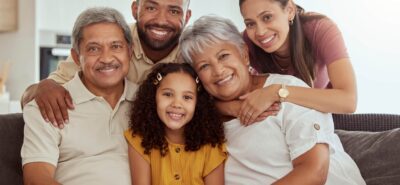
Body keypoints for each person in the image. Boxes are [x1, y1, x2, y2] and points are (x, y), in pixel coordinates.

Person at [180, 15, 365, 185]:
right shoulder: (198, 121)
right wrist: (225, 108)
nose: (218, 70)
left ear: (244, 54)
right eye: (204, 66)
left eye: (223, 56)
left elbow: (314, 173)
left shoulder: (289, 91)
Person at [20, 0, 192, 127]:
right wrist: (41, 87)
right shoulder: (112, 39)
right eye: (151, 8)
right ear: (135, 9)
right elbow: (35, 96)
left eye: (174, 11)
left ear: (187, 16)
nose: (161, 20)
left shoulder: (192, 54)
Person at [21, 7, 137, 185]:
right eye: (93, 49)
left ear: (130, 51)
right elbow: (37, 179)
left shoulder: (150, 103)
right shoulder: (47, 106)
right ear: (76, 57)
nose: (106, 58)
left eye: (116, 46)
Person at [218, 0, 357, 125]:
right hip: (280, 122)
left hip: (325, 117)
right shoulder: (247, 43)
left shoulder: (319, 28)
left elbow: (348, 101)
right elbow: (207, 94)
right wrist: (233, 108)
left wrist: (276, 92)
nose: (260, 32)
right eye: (250, 23)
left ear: (290, 10)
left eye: (267, 17)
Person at [124, 63, 226, 184]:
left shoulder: (211, 145)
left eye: (187, 97)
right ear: (153, 97)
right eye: (168, 94)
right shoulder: (139, 140)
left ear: (198, 104)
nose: (177, 104)